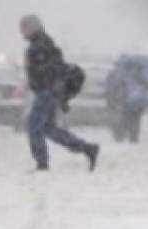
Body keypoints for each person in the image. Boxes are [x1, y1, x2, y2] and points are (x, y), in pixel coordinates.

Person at [19, 14, 99, 172]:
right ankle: (87, 148)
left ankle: (42, 163)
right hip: (49, 92)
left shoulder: (40, 46)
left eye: (24, 28)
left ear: (33, 27)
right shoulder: (42, 43)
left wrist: (45, 85)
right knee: (48, 129)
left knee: (33, 126)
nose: (22, 32)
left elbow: (50, 70)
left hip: (46, 93)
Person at [106, 56, 148, 143]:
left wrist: (112, 100)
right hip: (134, 103)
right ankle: (132, 136)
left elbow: (110, 88)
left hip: (123, 102)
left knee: (123, 118)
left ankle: (122, 135)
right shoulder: (139, 75)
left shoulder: (117, 74)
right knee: (134, 119)